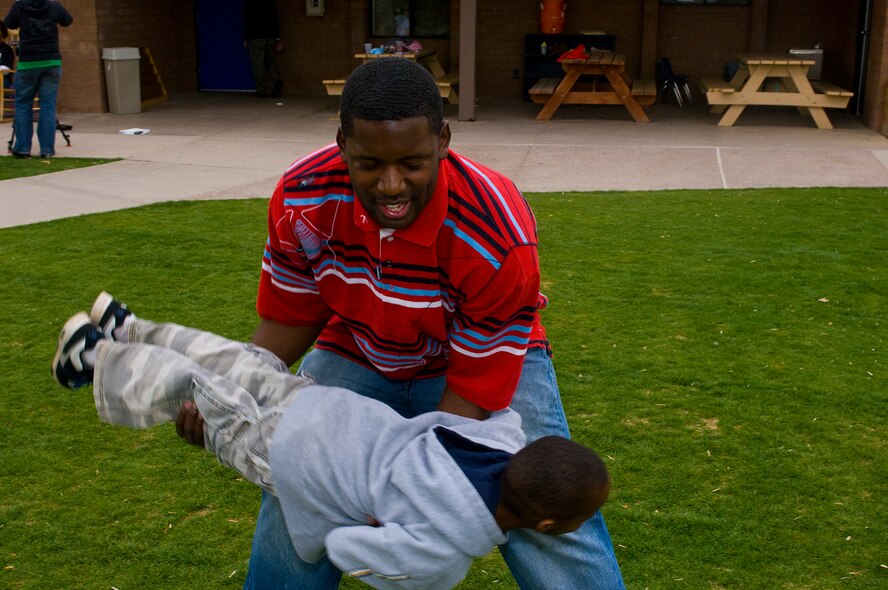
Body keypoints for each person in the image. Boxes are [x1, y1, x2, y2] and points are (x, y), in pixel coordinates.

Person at [175, 57, 626, 589]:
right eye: (369, 164)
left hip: (475, 363)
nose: (391, 185)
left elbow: (470, 399)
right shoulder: (301, 196)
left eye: (412, 162)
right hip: (359, 347)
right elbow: (291, 314)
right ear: (342, 142)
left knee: (541, 498)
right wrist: (235, 392)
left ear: (443, 140)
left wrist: (405, 496)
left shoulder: (496, 230)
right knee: (299, 484)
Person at [51, 292, 612, 590]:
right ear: (545, 526)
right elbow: (346, 551)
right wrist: (362, 525)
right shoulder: (445, 554)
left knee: (236, 364)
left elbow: (507, 420)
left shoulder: (490, 443)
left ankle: (125, 326)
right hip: (296, 456)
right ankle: (94, 355)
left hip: (329, 408)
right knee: (198, 392)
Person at [3, 0, 73, 159]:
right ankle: (47, 149)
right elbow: (67, 21)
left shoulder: (20, 5)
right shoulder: (54, 5)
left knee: (23, 105)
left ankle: (22, 149)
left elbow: (9, 23)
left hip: (28, 62)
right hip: (51, 61)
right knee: (48, 105)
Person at [242, 0, 283, 98]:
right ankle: (277, 79)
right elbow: (275, 17)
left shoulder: (250, 2)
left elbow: (247, 19)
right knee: (270, 59)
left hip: (256, 35)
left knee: (257, 63)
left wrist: (245, 37)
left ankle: (261, 90)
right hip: (270, 35)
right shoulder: (270, 2)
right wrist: (277, 37)